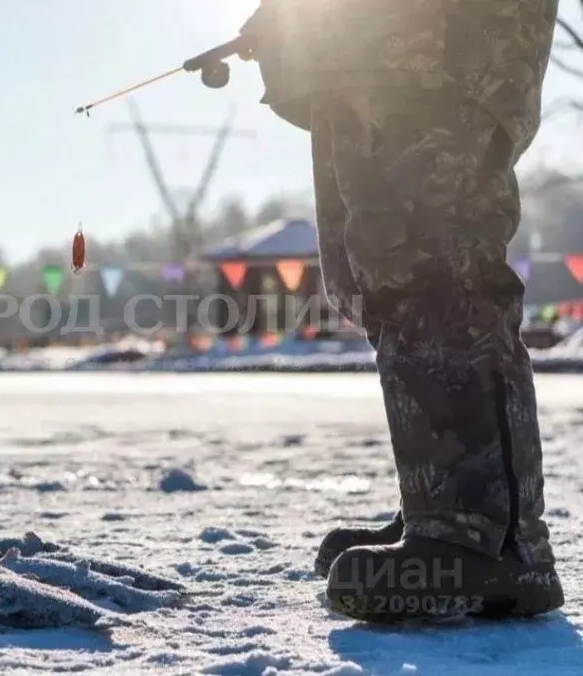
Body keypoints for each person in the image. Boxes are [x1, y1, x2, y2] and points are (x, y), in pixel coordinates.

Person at [237, 0, 564, 621]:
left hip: (438, 47)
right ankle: (440, 499)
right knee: (374, 274)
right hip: (354, 55)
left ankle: (487, 536)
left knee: (432, 262)